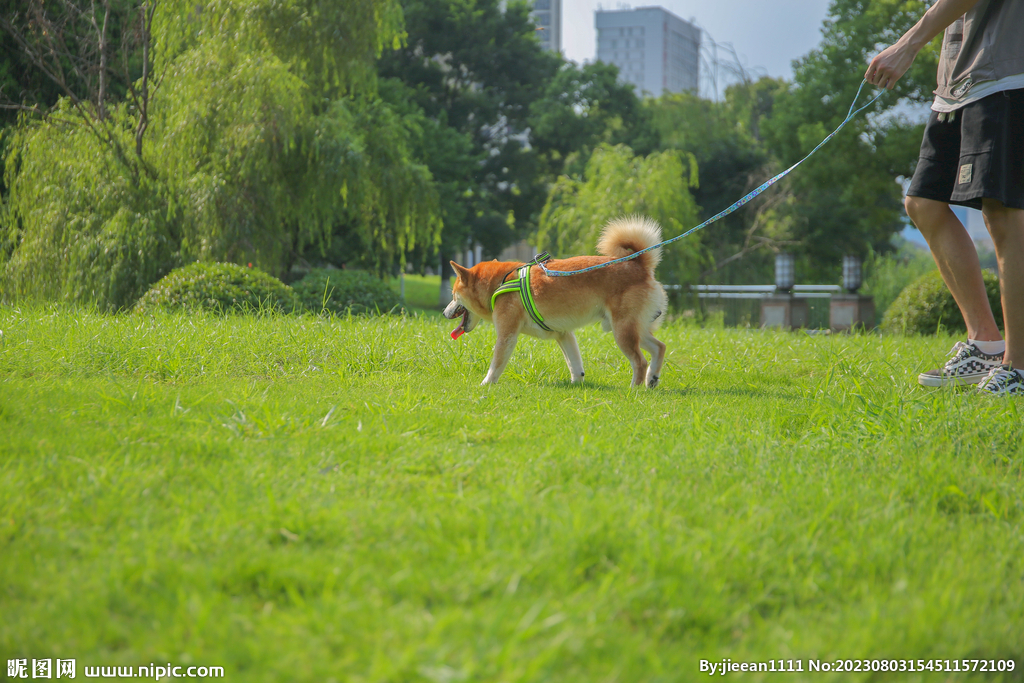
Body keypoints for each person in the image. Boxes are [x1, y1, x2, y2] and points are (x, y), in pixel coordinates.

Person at [865, 0, 1024, 394]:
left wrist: (908, 43)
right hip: (957, 84)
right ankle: (985, 343)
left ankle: (1019, 366)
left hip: (1006, 71)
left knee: (1002, 213)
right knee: (923, 202)